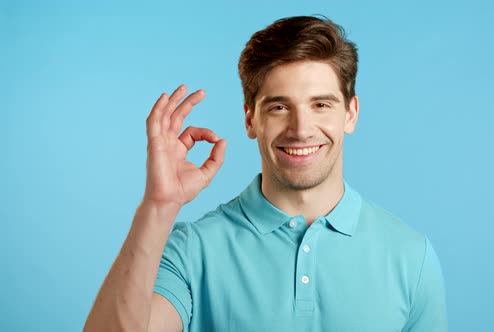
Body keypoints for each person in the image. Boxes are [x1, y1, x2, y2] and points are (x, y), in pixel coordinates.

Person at [84, 15, 447, 332]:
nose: (301, 128)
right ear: (249, 119)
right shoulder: (192, 252)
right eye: (278, 107)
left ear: (350, 113)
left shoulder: (411, 257)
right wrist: (157, 205)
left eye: (321, 104)